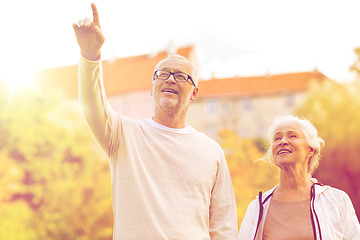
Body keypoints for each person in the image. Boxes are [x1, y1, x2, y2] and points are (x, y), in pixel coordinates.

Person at [72, 3, 238, 239]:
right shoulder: (123, 135)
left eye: (181, 76)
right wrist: (90, 57)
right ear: (151, 88)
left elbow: (224, 227)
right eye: (162, 74)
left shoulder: (212, 152)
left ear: (194, 92)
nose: (170, 79)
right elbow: (92, 105)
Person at [238, 115, 360, 240]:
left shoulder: (336, 200)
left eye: (292, 136)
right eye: (277, 138)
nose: (283, 141)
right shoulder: (257, 208)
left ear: (310, 150)